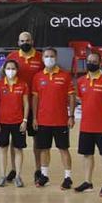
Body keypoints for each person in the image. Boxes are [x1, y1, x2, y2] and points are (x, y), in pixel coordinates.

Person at [74, 52, 102, 197]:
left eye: (94, 61)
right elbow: (80, 99)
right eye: (89, 61)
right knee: (87, 154)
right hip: (86, 126)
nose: (91, 63)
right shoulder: (81, 81)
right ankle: (88, 182)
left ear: (100, 63)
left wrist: (101, 110)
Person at [32, 47, 76, 189]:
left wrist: (71, 115)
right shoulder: (38, 77)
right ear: (43, 58)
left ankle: (68, 177)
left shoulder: (65, 76)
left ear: (56, 58)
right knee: (44, 149)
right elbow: (35, 99)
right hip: (43, 120)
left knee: (63, 149)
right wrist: (34, 118)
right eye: (46, 56)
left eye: (51, 56)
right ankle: (44, 176)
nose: (49, 58)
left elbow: (71, 96)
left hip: (61, 120)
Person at [5, 31, 44, 185]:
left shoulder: (41, 58)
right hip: (17, 106)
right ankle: (14, 169)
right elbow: (6, 79)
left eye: (27, 40)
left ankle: (38, 169)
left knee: (37, 140)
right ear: (18, 42)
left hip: (35, 105)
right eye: (22, 40)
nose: (25, 42)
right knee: (14, 141)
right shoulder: (12, 57)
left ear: (32, 41)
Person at [0, 60, 30, 187]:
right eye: (8, 68)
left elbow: (26, 104)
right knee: (3, 149)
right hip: (3, 122)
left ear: (17, 70)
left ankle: (18, 176)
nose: (10, 71)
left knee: (18, 149)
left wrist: (25, 120)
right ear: (4, 70)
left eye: (13, 68)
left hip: (18, 122)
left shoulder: (23, 84)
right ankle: (3, 175)